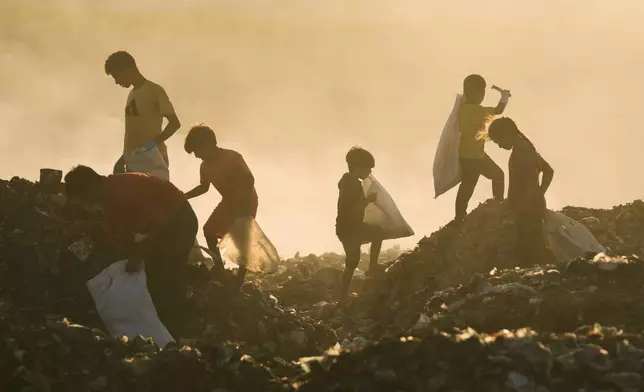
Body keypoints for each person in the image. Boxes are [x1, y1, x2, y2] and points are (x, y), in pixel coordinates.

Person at [64, 166, 197, 338]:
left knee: (165, 273)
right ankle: (159, 322)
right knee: (153, 272)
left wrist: (138, 253)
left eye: (83, 198)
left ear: (90, 188)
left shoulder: (126, 190)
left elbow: (159, 225)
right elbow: (115, 229)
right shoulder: (107, 196)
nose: (86, 203)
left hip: (178, 219)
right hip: (160, 224)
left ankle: (176, 330)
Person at [183, 124, 258, 286]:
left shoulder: (233, 157)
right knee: (208, 230)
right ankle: (219, 268)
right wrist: (184, 196)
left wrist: (243, 207)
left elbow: (249, 179)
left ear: (208, 145)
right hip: (229, 201)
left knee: (241, 238)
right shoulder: (205, 166)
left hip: (246, 200)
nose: (197, 156)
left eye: (197, 151)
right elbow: (204, 187)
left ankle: (240, 277)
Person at [486, 117, 557, 266]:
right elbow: (548, 171)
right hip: (530, 207)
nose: (499, 146)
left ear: (507, 133)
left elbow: (531, 182)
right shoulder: (525, 147)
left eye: (499, 141)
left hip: (527, 211)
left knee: (530, 251)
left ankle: (553, 276)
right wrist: (540, 193)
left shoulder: (523, 151)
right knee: (530, 248)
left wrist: (524, 205)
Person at [104, 51, 181, 172]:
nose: (116, 82)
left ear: (128, 70)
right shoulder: (132, 94)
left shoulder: (154, 91)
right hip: (133, 162)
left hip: (153, 161)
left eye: (117, 76)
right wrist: (123, 159)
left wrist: (152, 144)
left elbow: (175, 123)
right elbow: (133, 135)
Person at [455, 74, 511, 221]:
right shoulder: (476, 111)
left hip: (470, 154)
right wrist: (504, 97)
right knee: (476, 183)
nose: (483, 96)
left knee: (468, 186)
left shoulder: (462, 109)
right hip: (473, 157)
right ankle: (497, 205)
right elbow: (498, 110)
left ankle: (460, 215)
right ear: (475, 93)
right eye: (482, 92)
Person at [336, 147, 384, 305]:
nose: (369, 172)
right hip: (349, 229)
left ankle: (372, 267)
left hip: (350, 227)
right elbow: (352, 209)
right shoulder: (352, 185)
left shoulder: (348, 182)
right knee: (352, 261)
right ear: (356, 167)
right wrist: (368, 200)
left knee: (377, 233)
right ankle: (343, 296)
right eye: (367, 168)